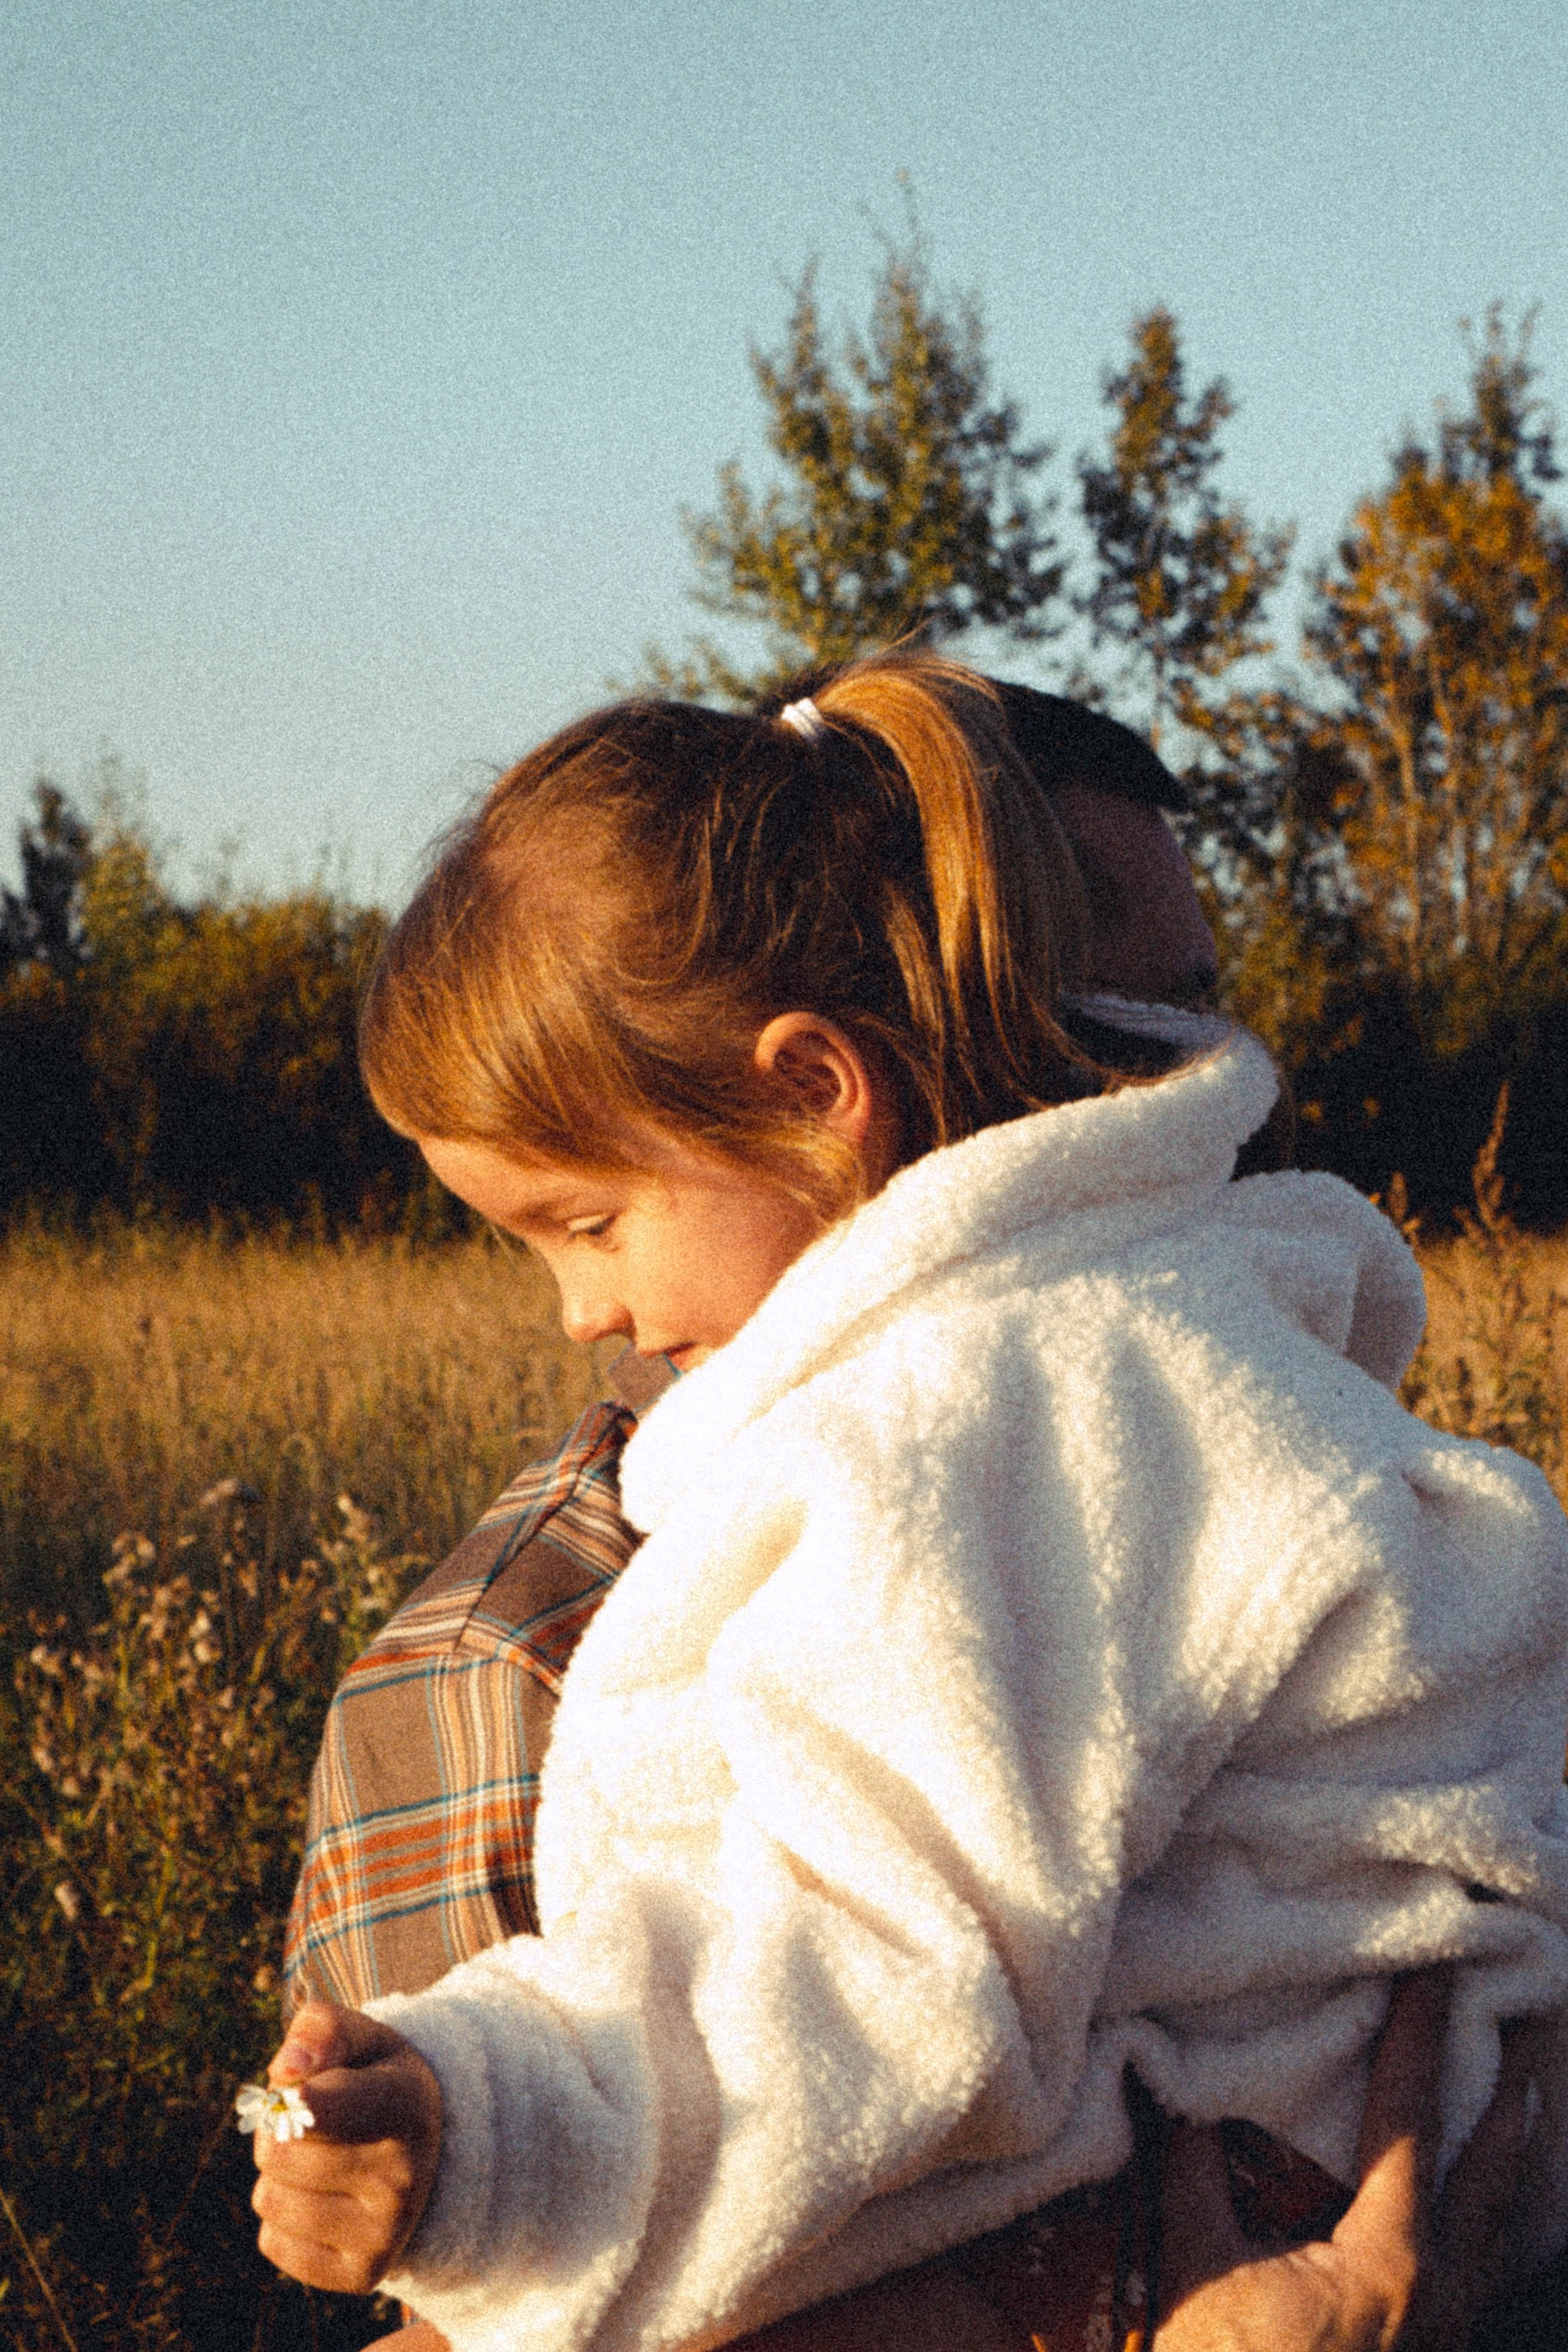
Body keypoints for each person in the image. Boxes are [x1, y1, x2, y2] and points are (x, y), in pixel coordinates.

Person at [259, 654, 1568, 2350]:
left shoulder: (989, 1422)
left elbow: (882, 1960)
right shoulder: (504, 1655)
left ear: (815, 1087)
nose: (579, 1307)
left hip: (1244, 2199)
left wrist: (481, 2126)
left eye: (586, 1223)